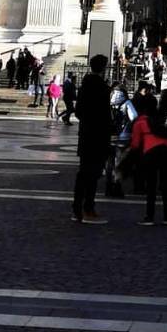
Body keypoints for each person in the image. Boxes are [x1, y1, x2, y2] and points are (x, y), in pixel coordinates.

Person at [72, 55, 112, 224]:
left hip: (86, 134)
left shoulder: (83, 86)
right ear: (103, 68)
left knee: (83, 173)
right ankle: (89, 209)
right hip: (98, 136)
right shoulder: (103, 88)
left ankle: (77, 209)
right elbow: (105, 116)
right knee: (94, 174)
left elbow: (78, 112)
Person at [131, 89, 167, 225]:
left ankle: (149, 216)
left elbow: (135, 144)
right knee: (166, 185)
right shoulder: (164, 118)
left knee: (151, 186)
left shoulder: (141, 122)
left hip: (151, 153)